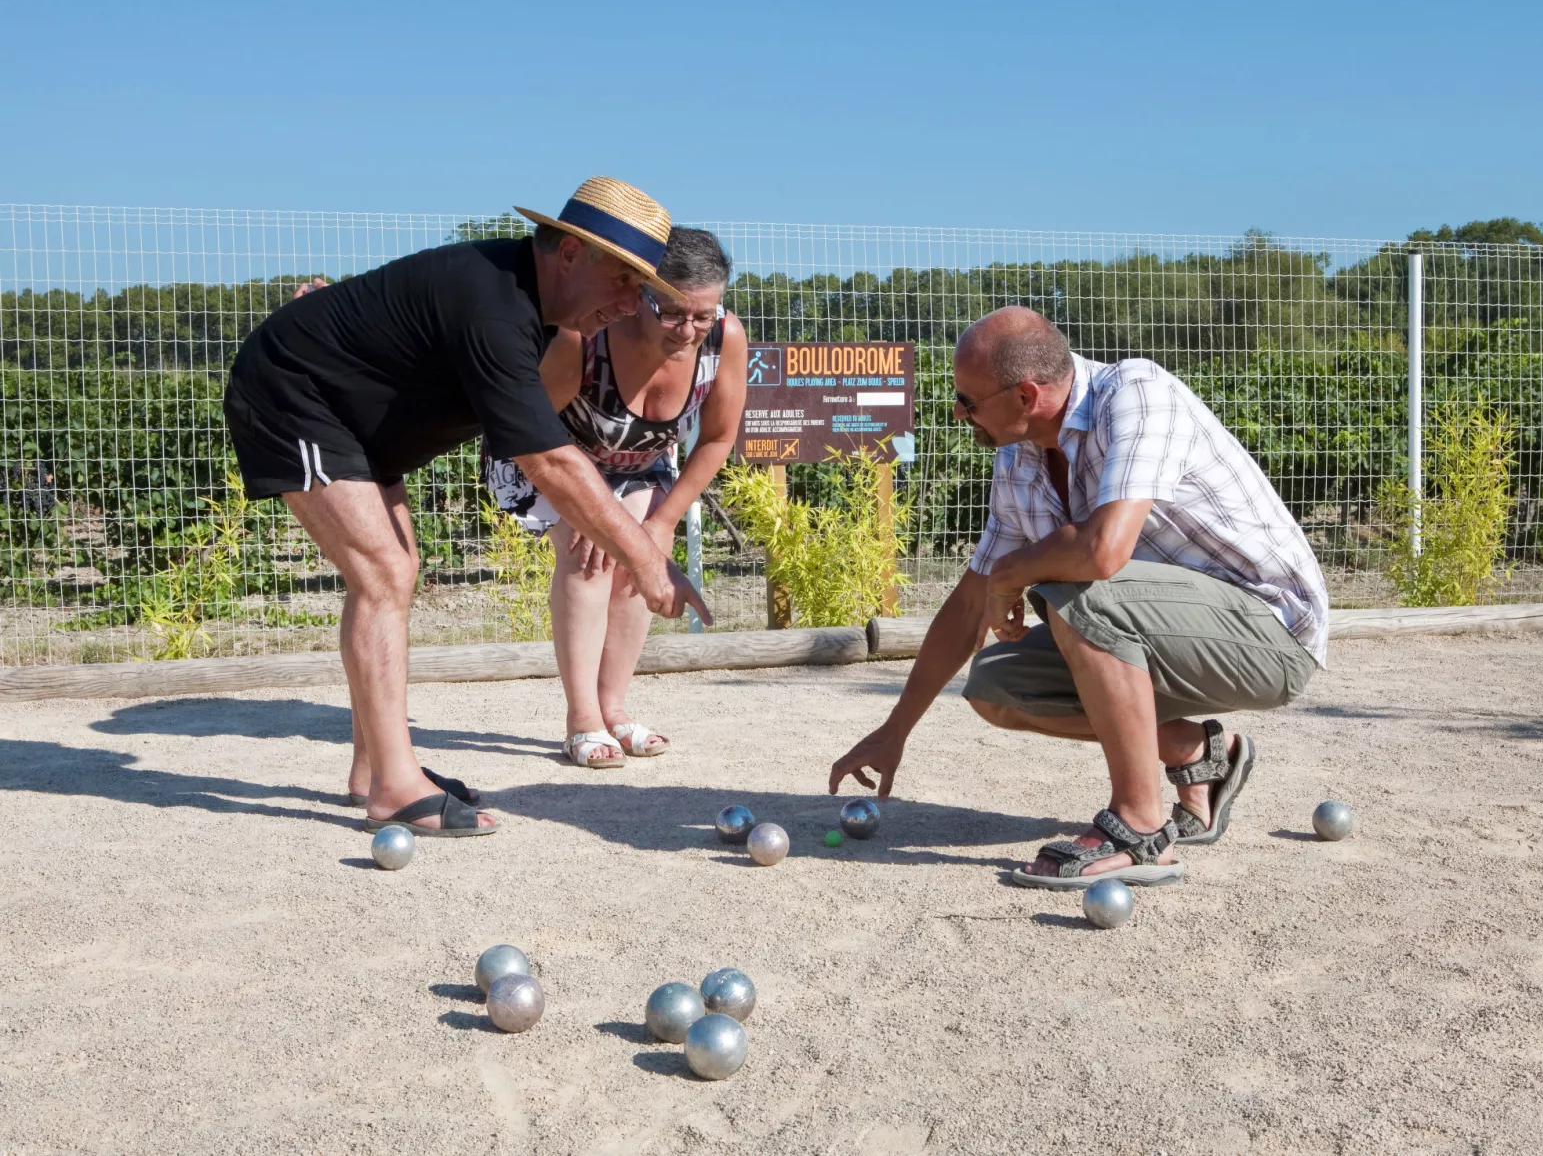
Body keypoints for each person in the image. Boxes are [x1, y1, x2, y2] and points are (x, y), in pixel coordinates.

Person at [224, 178, 710, 840]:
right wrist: (647, 558)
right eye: (625, 280)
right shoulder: (494, 303)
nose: (633, 303)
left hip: (359, 423)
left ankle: (376, 769)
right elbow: (549, 461)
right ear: (571, 254)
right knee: (383, 573)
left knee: (395, 570)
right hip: (293, 390)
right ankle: (394, 787)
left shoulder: (536, 312)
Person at [828, 307, 1328, 888]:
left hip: (1269, 634)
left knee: (1076, 590)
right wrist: (896, 731)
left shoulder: (1136, 393)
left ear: (1025, 395)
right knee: (997, 686)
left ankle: (1140, 827)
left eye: (968, 400)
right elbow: (970, 602)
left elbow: (1101, 553)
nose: (958, 413)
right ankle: (1198, 753)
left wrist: (1013, 572)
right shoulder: (1018, 460)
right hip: (1165, 636)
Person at [485, 229, 747, 768]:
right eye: (673, 312)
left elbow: (719, 438)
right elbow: (536, 432)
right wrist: (587, 508)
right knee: (591, 558)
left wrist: (661, 525)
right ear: (640, 292)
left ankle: (615, 708)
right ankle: (582, 719)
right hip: (551, 455)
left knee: (638, 560)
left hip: (640, 464)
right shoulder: (587, 334)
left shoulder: (724, 337)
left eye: (704, 314)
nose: (690, 330)